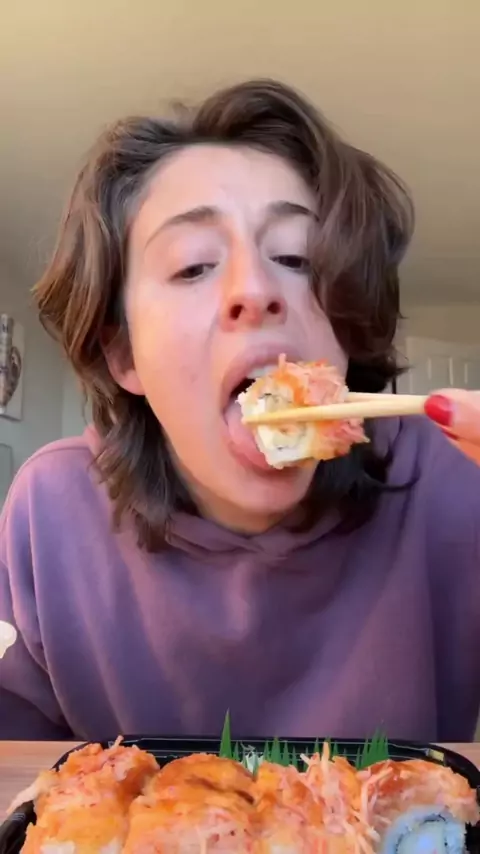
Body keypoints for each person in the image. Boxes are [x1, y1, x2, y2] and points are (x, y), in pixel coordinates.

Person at [1, 79, 479, 744]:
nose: (255, 289)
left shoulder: (451, 482)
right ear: (125, 355)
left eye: (296, 257)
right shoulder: (52, 509)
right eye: (194, 266)